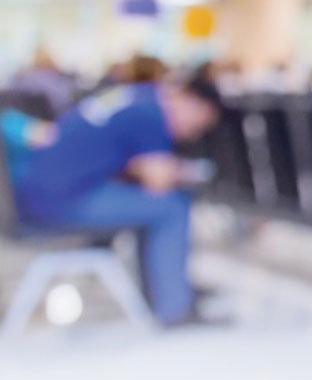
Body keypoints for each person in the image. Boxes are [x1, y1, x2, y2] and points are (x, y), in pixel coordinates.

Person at [13, 74, 223, 327]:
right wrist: (188, 171)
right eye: (198, 125)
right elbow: (159, 182)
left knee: (152, 204)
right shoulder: (151, 114)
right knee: (172, 206)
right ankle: (174, 307)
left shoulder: (135, 96)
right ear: (190, 101)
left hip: (37, 192)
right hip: (61, 202)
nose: (192, 135)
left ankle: (166, 288)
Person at [11, 48, 75, 116]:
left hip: (27, 120)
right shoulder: (52, 79)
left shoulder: (24, 79)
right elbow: (63, 101)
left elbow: (14, 98)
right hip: (51, 119)